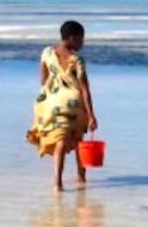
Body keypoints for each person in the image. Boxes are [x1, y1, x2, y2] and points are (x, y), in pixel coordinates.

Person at [26, 20, 98, 191]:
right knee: (79, 140)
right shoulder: (76, 60)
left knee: (60, 141)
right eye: (81, 39)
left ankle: (57, 183)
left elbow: (43, 81)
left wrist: (52, 94)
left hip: (52, 103)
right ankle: (81, 177)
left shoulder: (47, 52)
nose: (83, 43)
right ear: (72, 38)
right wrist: (91, 115)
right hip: (72, 104)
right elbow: (84, 89)